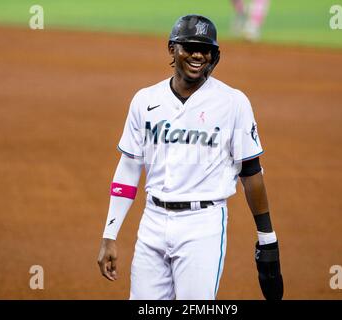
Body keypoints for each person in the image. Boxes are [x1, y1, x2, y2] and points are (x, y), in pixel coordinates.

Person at [97, 14, 283, 300]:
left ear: (214, 55)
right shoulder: (145, 101)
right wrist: (110, 233)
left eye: (205, 49)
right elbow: (129, 168)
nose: (198, 55)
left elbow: (251, 173)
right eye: (190, 47)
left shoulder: (233, 103)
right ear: (172, 49)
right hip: (152, 223)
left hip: (203, 225)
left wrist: (267, 239)